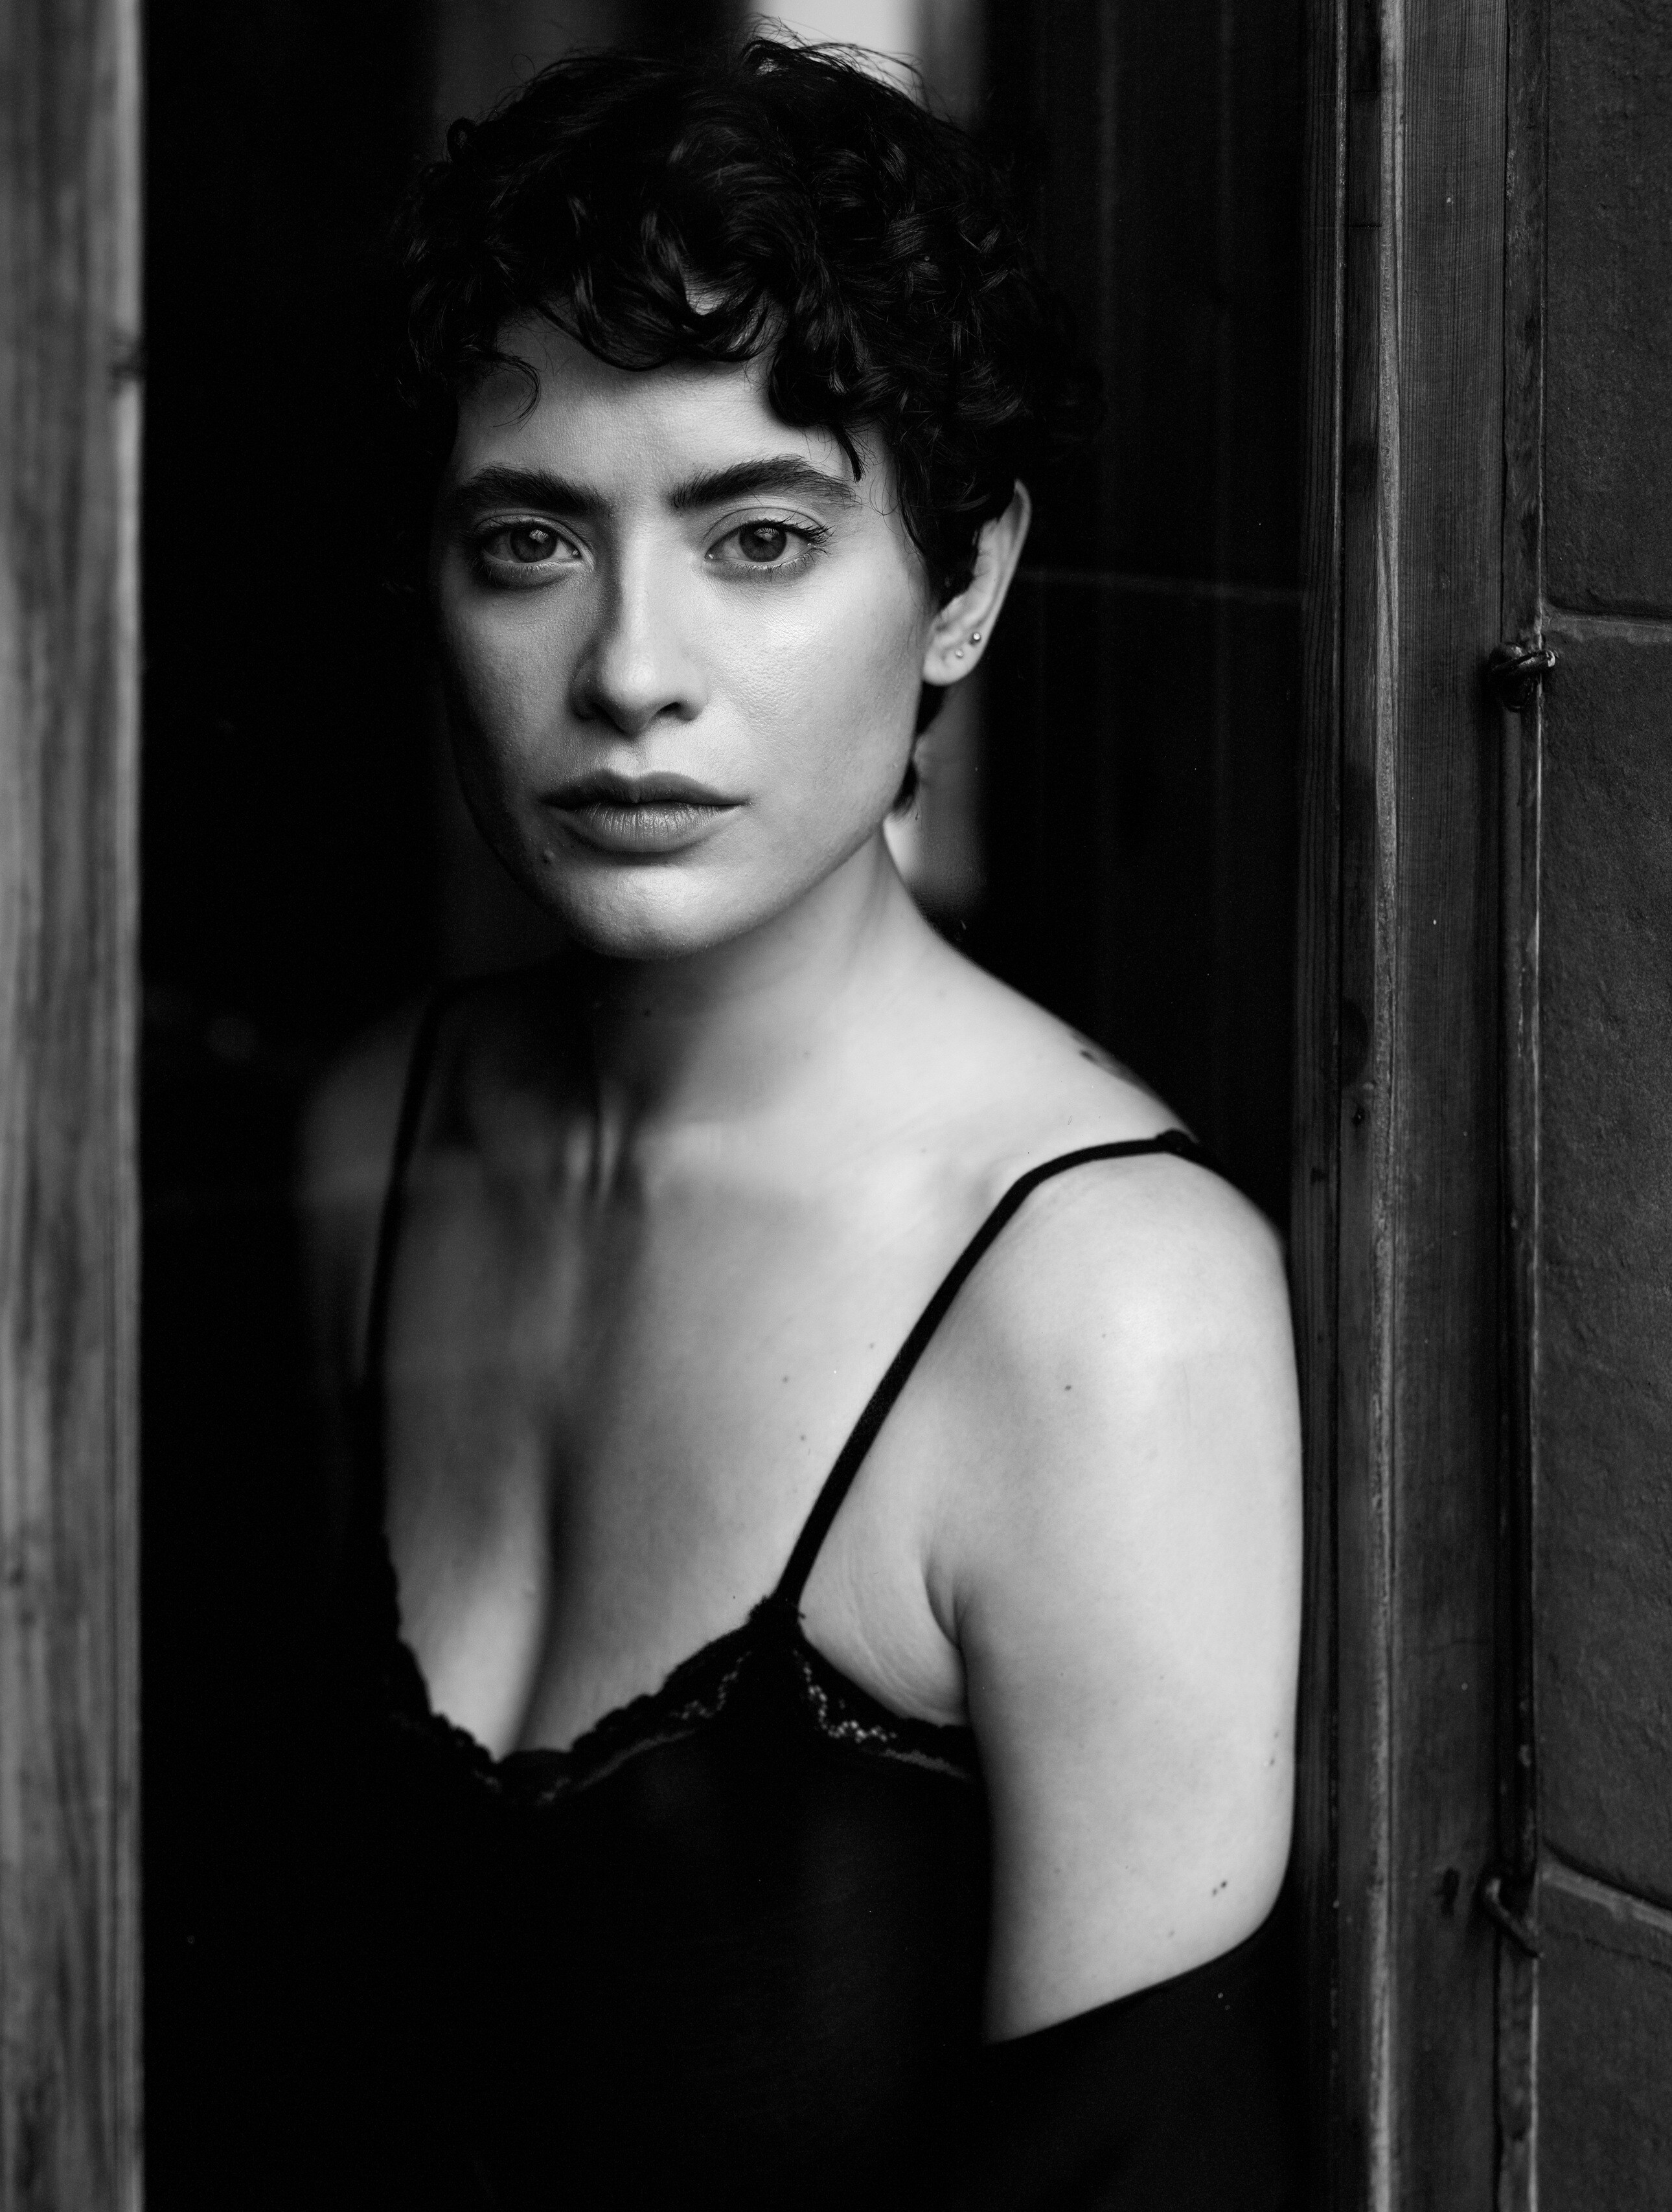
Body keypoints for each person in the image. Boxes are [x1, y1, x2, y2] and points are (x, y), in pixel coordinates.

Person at [301, 35, 1303, 2209]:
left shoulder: (1103, 1310)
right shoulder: (373, 1142)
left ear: (963, 583)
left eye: (759, 538)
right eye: (528, 539)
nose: (628, 672)